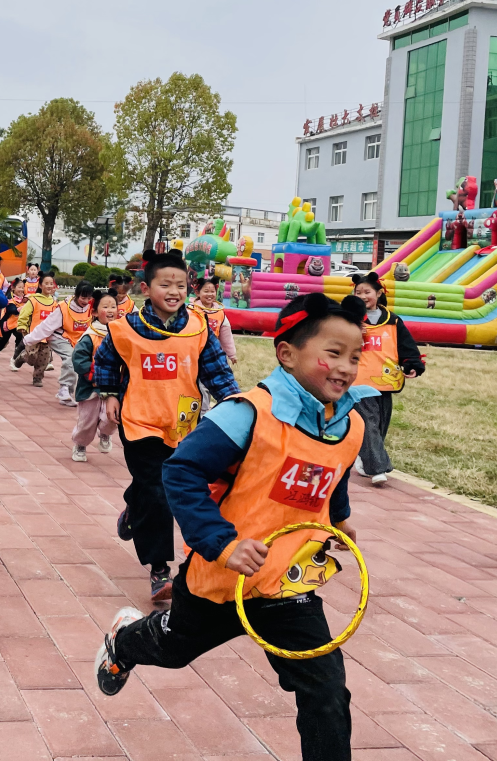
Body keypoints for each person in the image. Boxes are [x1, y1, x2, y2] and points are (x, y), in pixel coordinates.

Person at [95, 293, 377, 761]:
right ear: (287, 353)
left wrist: (340, 519)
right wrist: (223, 545)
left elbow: (335, 475)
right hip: (221, 579)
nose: (347, 368)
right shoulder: (246, 413)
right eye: (334, 353)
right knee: (172, 650)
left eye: (355, 356)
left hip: (288, 583)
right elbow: (181, 471)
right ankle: (124, 641)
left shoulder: (350, 426)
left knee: (327, 692)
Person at [94, 249, 237, 602]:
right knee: (158, 492)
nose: (174, 291)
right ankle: (159, 570)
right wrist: (109, 394)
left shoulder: (198, 328)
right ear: (146, 288)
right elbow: (106, 361)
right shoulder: (124, 328)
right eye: (165, 284)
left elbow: (217, 371)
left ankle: (134, 506)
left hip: (184, 423)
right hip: (138, 421)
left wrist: (237, 406)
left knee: (154, 489)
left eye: (181, 285)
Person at [350, 272, 425, 485]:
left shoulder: (393, 321)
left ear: (379, 293)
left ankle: (365, 458)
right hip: (358, 381)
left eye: (367, 292)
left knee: (380, 425)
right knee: (368, 422)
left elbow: (405, 345)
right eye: (358, 292)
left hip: (385, 381)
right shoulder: (348, 319)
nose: (362, 296)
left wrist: (413, 364)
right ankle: (377, 469)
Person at [22, 280, 94, 406]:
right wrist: (29, 339)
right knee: (71, 357)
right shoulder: (63, 307)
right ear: (76, 295)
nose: (86, 301)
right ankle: (64, 388)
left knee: (84, 362)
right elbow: (47, 325)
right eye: (83, 298)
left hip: (79, 340)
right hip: (59, 337)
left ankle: (68, 393)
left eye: (89, 298)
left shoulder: (92, 308)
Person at [70, 289, 119, 462]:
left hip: (114, 387)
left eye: (113, 306)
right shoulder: (90, 337)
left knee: (112, 417)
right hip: (90, 387)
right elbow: (79, 360)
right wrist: (93, 374)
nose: (111, 310)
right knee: (87, 422)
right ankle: (80, 445)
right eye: (105, 306)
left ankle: (105, 433)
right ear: (95, 312)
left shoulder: (121, 334)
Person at [191, 275, 238, 413]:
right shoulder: (191, 311)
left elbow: (226, 335)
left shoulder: (220, 314)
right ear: (198, 293)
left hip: (212, 355)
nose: (210, 294)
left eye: (212, 291)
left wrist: (232, 354)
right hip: (195, 355)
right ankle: (201, 411)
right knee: (199, 384)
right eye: (206, 291)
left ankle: (206, 411)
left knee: (211, 383)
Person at [14, 272, 59, 386]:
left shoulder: (54, 303)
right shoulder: (33, 300)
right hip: (33, 335)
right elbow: (24, 314)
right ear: (40, 285)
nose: (49, 286)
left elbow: (57, 319)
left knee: (44, 360)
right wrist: (22, 326)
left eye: (51, 283)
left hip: (47, 337)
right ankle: (23, 356)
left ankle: (37, 378)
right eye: (46, 283)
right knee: (32, 357)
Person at [0, 277, 26, 369]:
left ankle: (16, 355)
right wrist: (21, 309)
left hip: (17, 324)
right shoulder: (9, 298)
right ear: (13, 288)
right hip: (7, 324)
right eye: (19, 287)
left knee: (20, 337)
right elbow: (11, 310)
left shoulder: (25, 299)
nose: (21, 289)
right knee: (3, 341)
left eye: (22, 287)